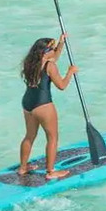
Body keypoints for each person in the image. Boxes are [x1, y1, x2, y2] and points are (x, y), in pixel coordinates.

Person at [18, 34, 78, 180]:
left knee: (29, 136)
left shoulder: (29, 63)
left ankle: (23, 168)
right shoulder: (50, 66)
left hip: (28, 104)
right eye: (53, 48)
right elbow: (62, 86)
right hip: (43, 105)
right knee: (52, 137)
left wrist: (61, 43)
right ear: (45, 52)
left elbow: (54, 57)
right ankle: (51, 171)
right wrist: (70, 72)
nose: (55, 50)